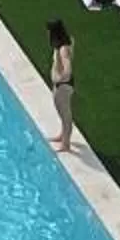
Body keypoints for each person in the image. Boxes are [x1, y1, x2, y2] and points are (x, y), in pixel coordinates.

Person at [46, 19, 77, 153]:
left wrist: (59, 80)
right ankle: (62, 135)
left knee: (65, 115)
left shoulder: (63, 49)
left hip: (63, 86)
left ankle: (66, 144)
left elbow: (68, 69)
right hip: (61, 85)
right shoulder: (64, 43)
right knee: (61, 112)